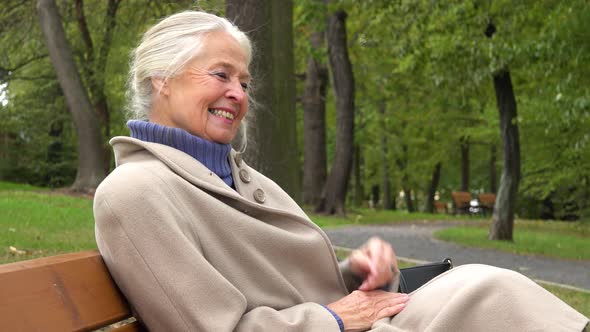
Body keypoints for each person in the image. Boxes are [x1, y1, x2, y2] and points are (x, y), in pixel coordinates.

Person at [93, 10, 588, 332]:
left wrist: (358, 274)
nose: (239, 94)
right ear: (161, 79)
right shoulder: (135, 192)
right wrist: (330, 318)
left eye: (244, 81)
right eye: (221, 75)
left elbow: (280, 282)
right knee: (485, 292)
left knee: (489, 287)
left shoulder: (238, 175)